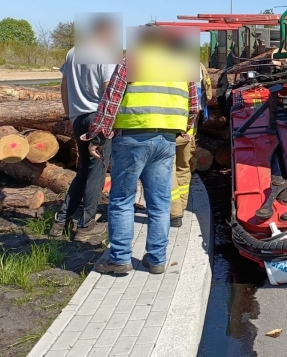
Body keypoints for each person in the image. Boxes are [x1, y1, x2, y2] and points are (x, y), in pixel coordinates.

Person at [84, 40, 200, 275]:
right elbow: (194, 105)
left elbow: (112, 100)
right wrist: (184, 129)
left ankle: (120, 259)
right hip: (166, 140)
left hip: (132, 139)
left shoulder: (133, 60)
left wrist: (97, 135)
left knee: (122, 200)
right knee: (159, 203)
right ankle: (157, 260)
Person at [50, 18, 117, 240]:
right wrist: (109, 122)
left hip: (78, 118)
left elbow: (64, 84)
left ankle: (61, 221)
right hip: (98, 117)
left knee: (85, 169)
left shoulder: (73, 52)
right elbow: (109, 91)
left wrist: (69, 115)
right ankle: (86, 225)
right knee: (97, 171)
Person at [171, 62, 210, 226]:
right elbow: (207, 93)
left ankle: (174, 212)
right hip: (188, 126)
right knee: (183, 166)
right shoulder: (198, 66)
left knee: (168, 168)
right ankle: (182, 206)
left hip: (168, 125)